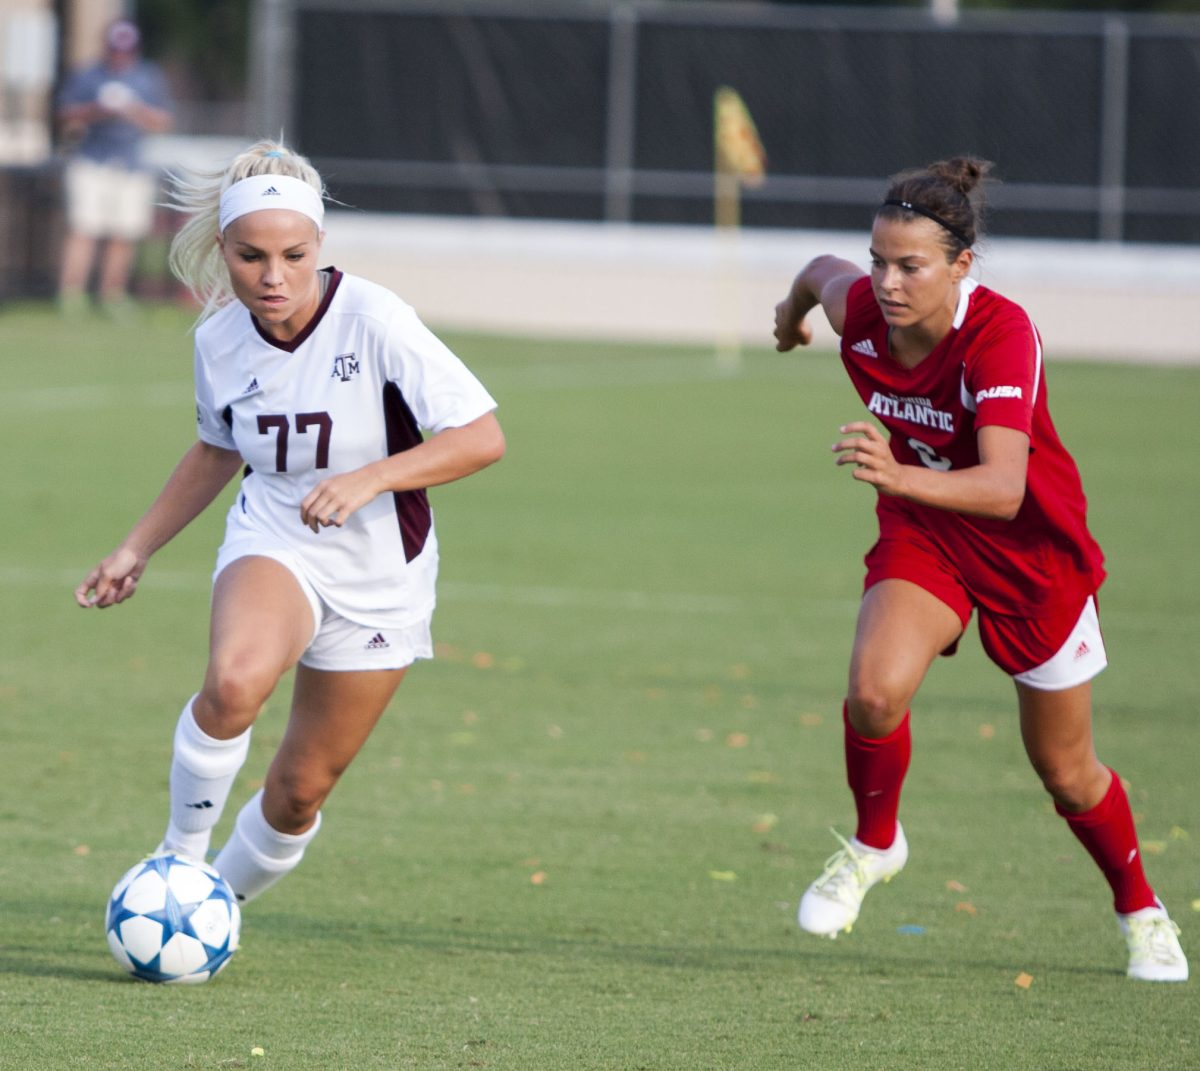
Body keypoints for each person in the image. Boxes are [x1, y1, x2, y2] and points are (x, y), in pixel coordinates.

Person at [772, 157, 1187, 982]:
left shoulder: (1000, 334)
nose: (887, 282)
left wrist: (895, 474)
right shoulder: (859, 308)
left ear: (960, 266)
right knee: (875, 690)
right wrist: (791, 320)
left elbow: (1003, 489)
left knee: (1067, 774)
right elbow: (817, 273)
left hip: (1032, 554)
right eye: (879, 259)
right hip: (927, 532)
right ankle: (874, 843)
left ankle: (1142, 909)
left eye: (910, 266)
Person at [75, 140, 505, 906]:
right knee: (235, 682)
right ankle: (176, 863)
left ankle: (217, 906)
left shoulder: (375, 318)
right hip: (275, 539)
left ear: (319, 247)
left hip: (381, 573)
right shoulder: (218, 339)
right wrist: (134, 547)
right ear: (222, 250)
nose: (273, 277)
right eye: (250, 257)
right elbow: (216, 449)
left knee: (299, 791)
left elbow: (481, 437)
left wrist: (369, 478)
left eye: (293, 255)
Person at [56, 18, 173, 318]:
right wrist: (98, 110)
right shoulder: (88, 75)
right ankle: (71, 295)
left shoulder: (148, 77)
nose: (120, 56)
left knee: (124, 234)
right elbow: (64, 114)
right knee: (84, 229)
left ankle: (112, 295)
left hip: (131, 163)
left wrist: (133, 110)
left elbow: (163, 122)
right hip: (92, 159)